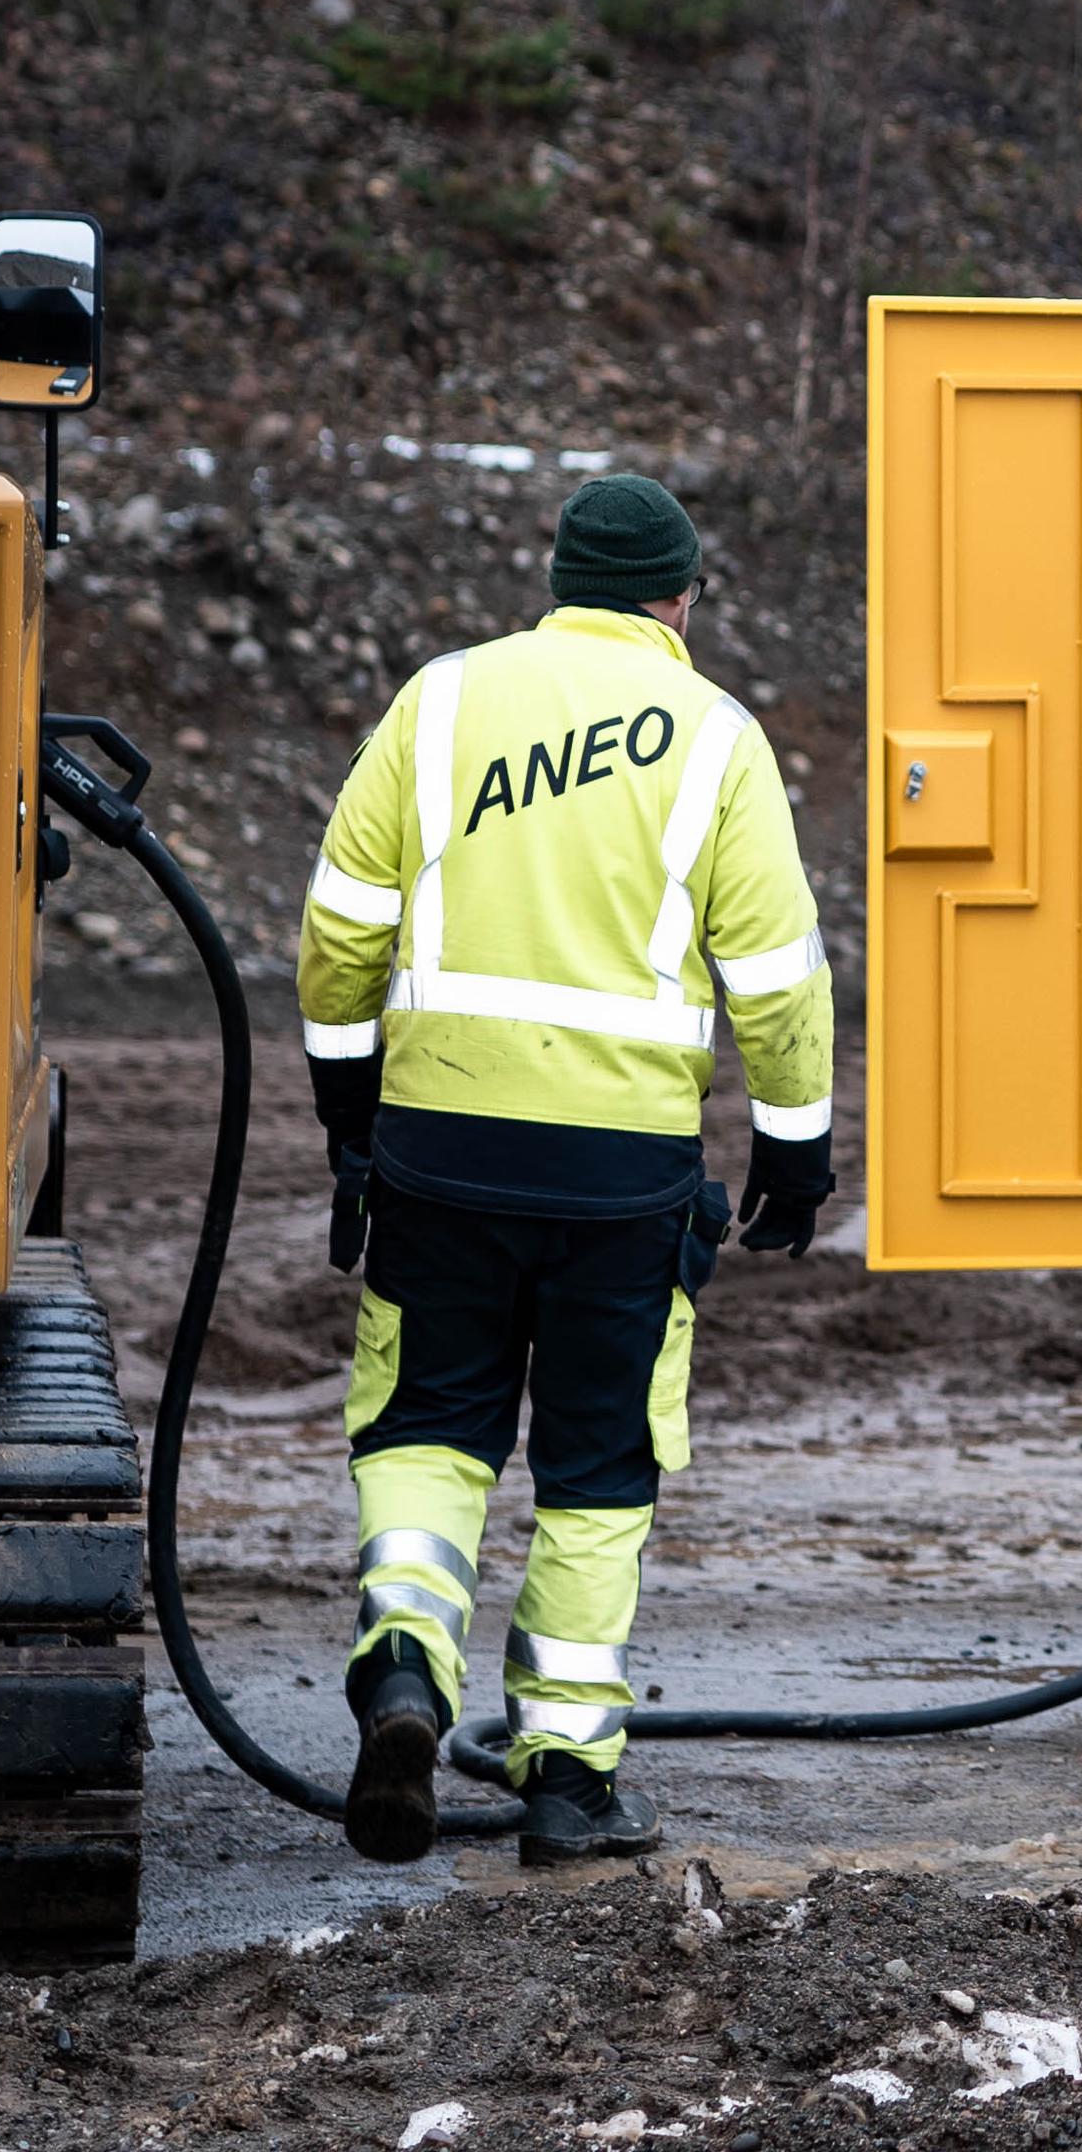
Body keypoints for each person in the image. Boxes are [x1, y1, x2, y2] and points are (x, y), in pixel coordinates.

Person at [294, 472, 834, 1867]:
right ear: (682, 597)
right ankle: (567, 1778)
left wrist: (351, 1108)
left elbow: (339, 928)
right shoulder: (717, 737)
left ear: (555, 578)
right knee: (598, 1470)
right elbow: (775, 977)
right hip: (621, 1183)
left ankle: (408, 1664)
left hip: (440, 1156)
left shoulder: (443, 702)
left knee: (426, 1427)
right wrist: (795, 1144)